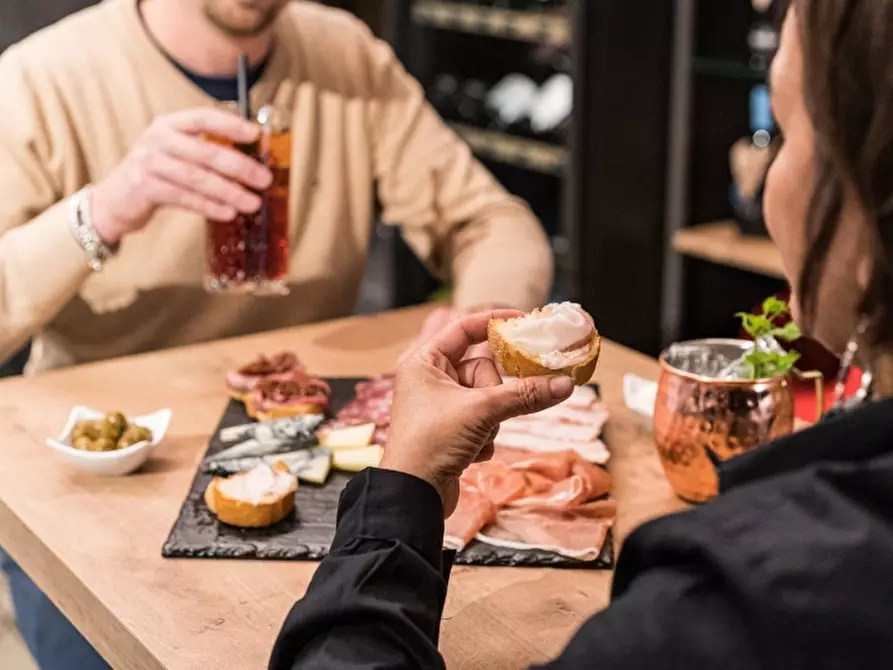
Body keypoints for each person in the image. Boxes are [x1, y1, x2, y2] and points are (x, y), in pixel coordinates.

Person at [270, 2, 893, 667]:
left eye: (787, 134)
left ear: (869, 203)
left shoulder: (727, 610)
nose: (764, 184)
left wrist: (401, 492)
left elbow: (491, 218)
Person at [0, 1, 552, 667]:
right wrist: (102, 210)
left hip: (307, 474)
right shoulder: (42, 78)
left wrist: (484, 317)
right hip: (104, 490)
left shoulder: (342, 54)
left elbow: (490, 218)